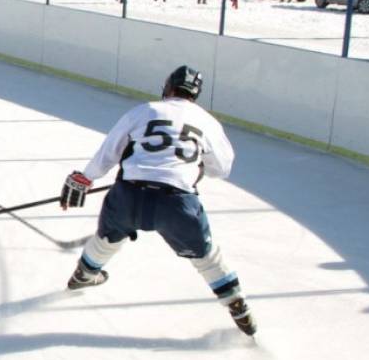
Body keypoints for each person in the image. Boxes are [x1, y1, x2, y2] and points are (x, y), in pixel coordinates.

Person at [58, 65, 255, 336]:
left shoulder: (144, 111)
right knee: (206, 257)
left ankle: (84, 274)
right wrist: (196, 164)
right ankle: (236, 305)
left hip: (128, 195)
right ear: (195, 95)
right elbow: (221, 169)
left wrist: (86, 177)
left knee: (107, 238)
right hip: (177, 204)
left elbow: (110, 151)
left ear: (167, 87)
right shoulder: (208, 122)